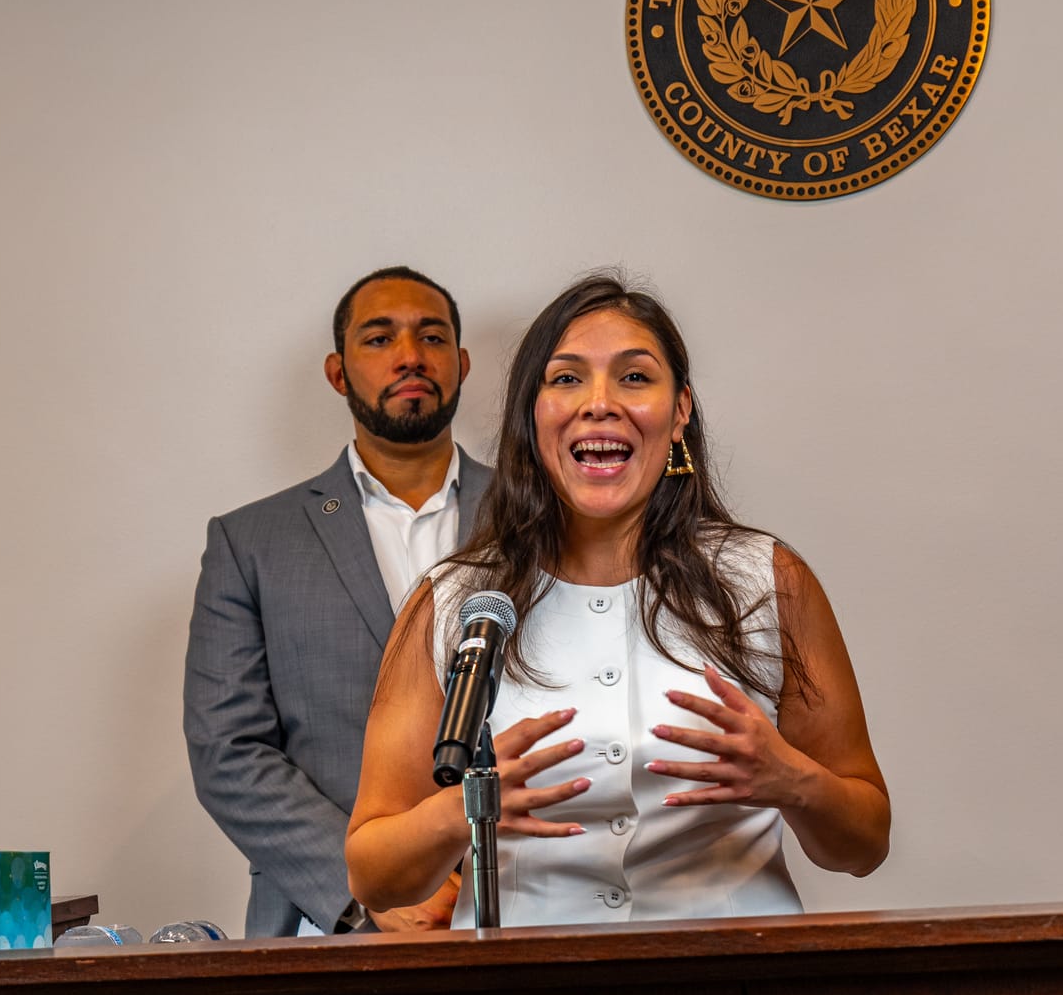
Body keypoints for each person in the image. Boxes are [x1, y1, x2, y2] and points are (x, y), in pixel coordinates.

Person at [345, 274, 889, 927]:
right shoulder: (455, 600)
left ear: (680, 410)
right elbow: (372, 875)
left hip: (736, 977)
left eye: (634, 377)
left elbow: (865, 844)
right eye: (567, 378)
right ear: (531, 414)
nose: (599, 403)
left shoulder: (767, 579)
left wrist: (792, 781)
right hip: (525, 983)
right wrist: (465, 809)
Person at [184, 266, 492, 937]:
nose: (410, 356)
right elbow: (227, 749)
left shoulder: (540, 518)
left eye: (431, 337)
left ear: (462, 363)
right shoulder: (251, 542)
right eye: (379, 339)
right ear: (337, 372)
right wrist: (369, 890)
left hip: (527, 902)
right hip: (330, 923)